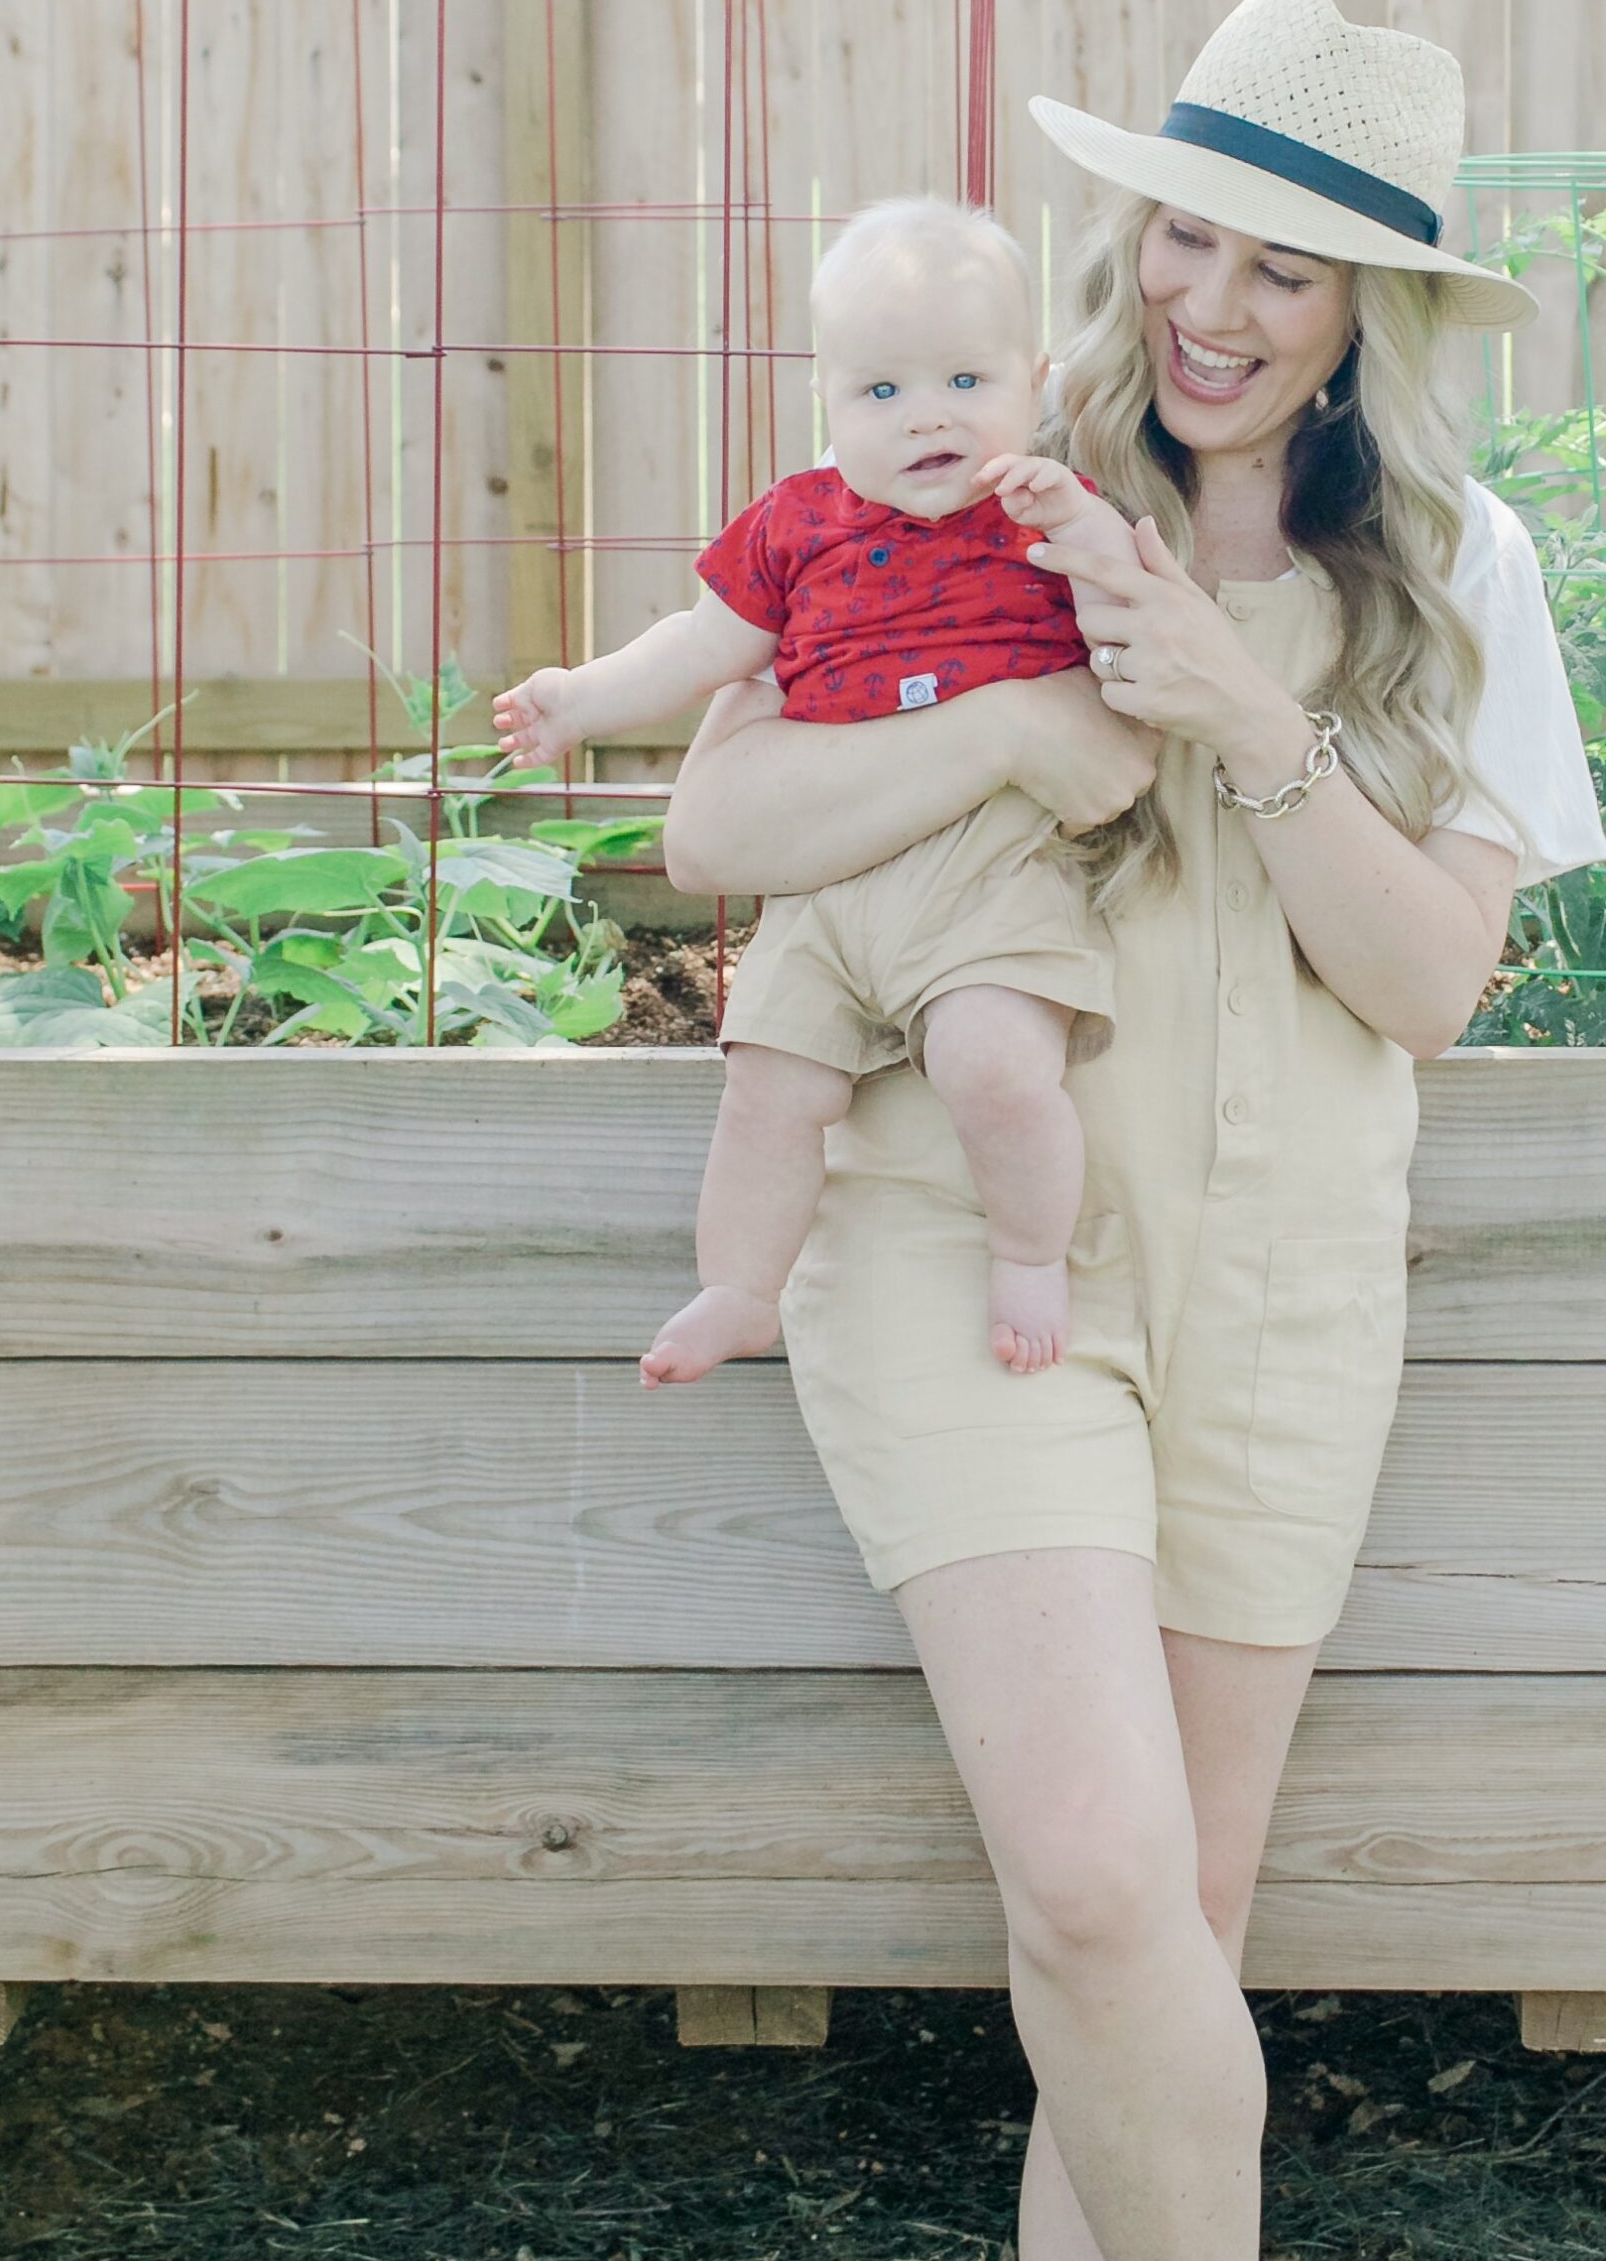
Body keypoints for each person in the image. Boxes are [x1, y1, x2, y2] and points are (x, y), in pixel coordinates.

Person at [660, 0, 1603, 2261]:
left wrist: (1230, 705)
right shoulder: (961, 463)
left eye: (1282, 256)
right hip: (975, 1233)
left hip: (1282, 1269)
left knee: (1154, 1965)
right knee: (1093, 1894)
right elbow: (716, 807)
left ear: (1367, 304)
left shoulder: (1463, 570)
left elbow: (1430, 986)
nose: (1207, 296)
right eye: (1184, 227)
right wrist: (1008, 732)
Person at [494, 199, 1155, 1382]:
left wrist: (1089, 534)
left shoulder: (1047, 508)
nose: (929, 415)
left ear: (1034, 382)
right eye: (883, 392)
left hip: (989, 863)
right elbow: (701, 646)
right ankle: (740, 1288)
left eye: (965, 377)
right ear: (829, 402)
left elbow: (1127, 631)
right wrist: (577, 701)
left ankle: (1031, 1253)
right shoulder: (796, 526)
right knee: (768, 1083)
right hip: (823, 873)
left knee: (995, 1061)